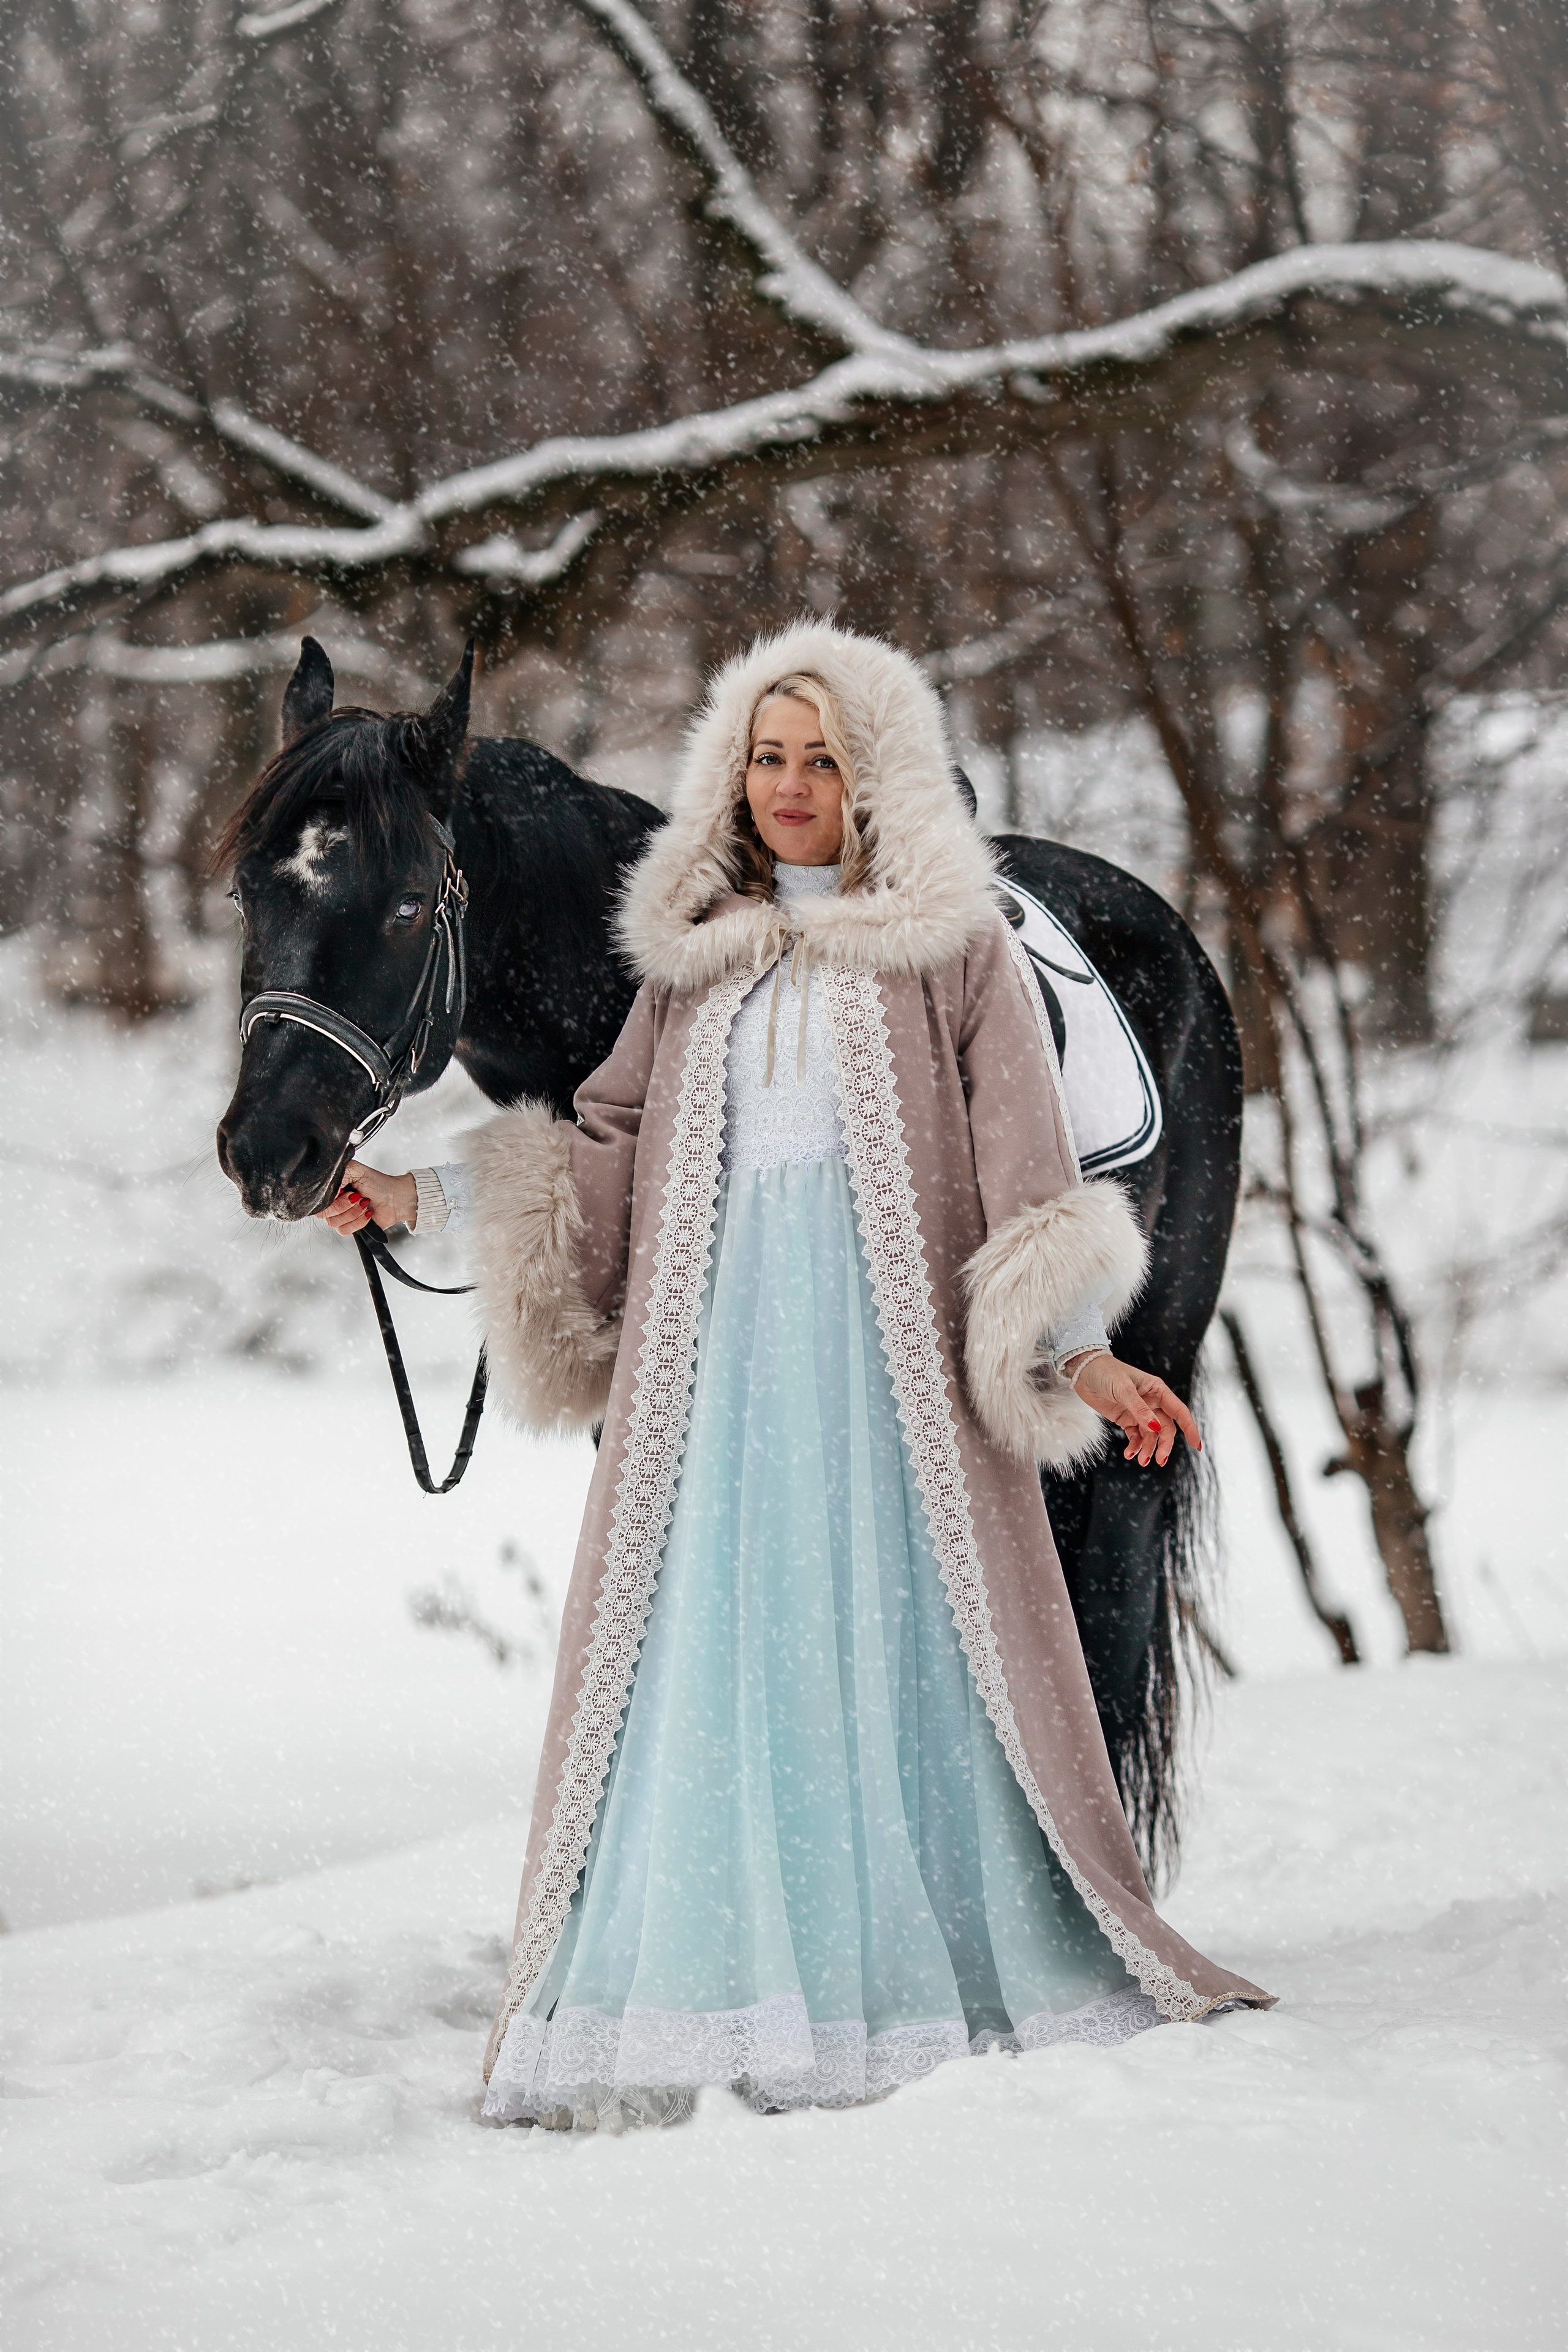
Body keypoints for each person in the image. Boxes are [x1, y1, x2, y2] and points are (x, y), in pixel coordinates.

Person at [323, 621, 1272, 2130]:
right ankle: (718, 1961)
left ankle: (910, 1955)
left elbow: (1026, 1174)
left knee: (898, 1641)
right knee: (722, 1644)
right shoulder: (692, 957)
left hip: (886, 1392)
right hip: (722, 1389)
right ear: (727, 773)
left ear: (872, 774)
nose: (787, 784)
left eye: (819, 758)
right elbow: (599, 1152)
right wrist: (419, 1198)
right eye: (764, 757)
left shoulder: (951, 956)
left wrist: (1078, 1356)